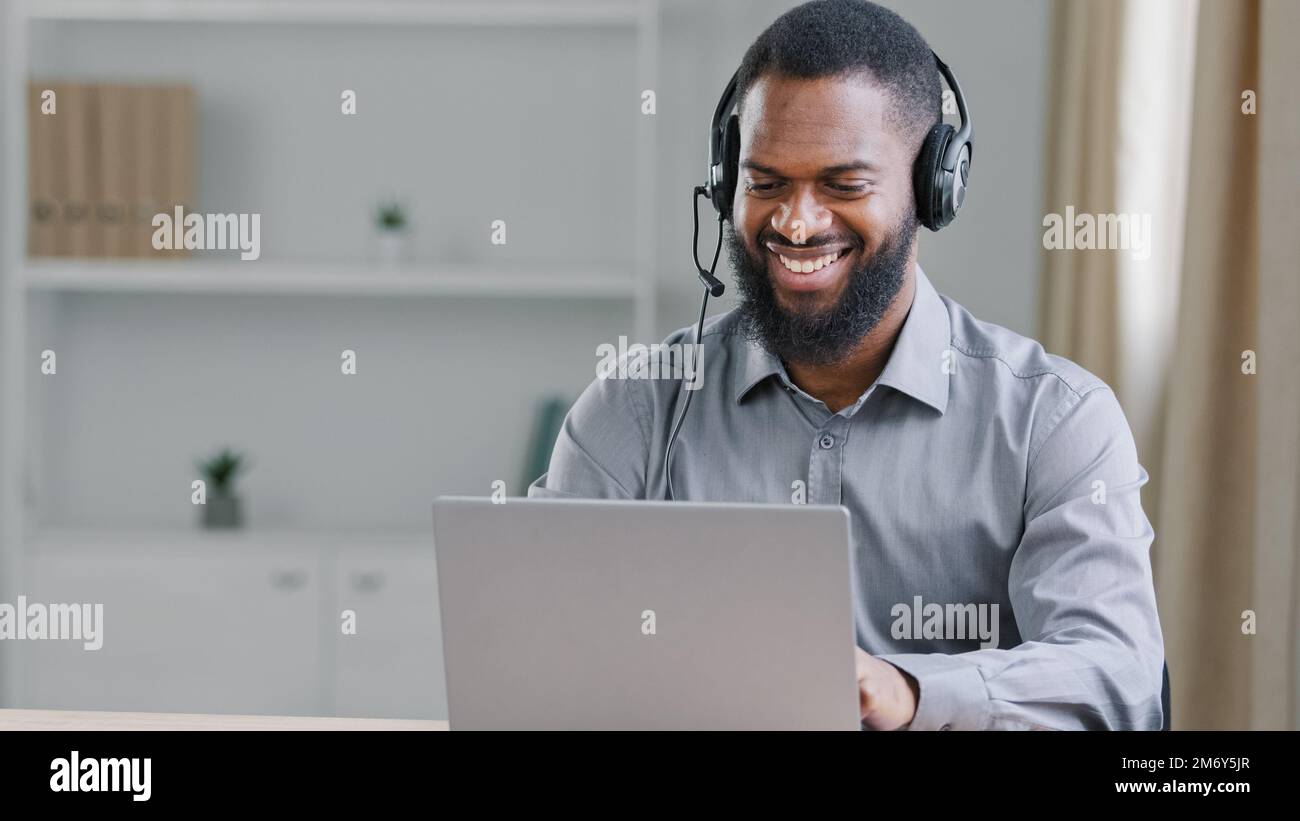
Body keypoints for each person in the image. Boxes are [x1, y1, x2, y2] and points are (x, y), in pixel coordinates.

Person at [530, 0, 1165, 731]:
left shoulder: (1054, 421)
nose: (797, 222)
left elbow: (1118, 676)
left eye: (844, 185)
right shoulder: (638, 408)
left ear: (934, 187)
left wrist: (908, 691)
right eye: (766, 183)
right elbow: (541, 649)